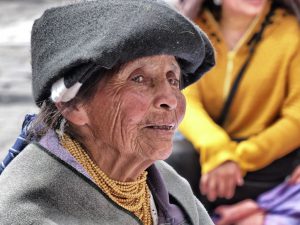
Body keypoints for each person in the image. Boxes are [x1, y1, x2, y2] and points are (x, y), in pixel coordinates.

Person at [0, 0, 216, 224]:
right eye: (138, 78)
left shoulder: (168, 185)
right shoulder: (31, 214)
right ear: (73, 105)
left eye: (172, 80)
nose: (170, 99)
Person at [165, 0, 300, 214]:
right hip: (204, 154)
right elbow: (182, 96)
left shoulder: (292, 32)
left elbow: (296, 117)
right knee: (168, 165)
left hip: (265, 162)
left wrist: (237, 159)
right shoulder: (188, 30)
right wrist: (217, 150)